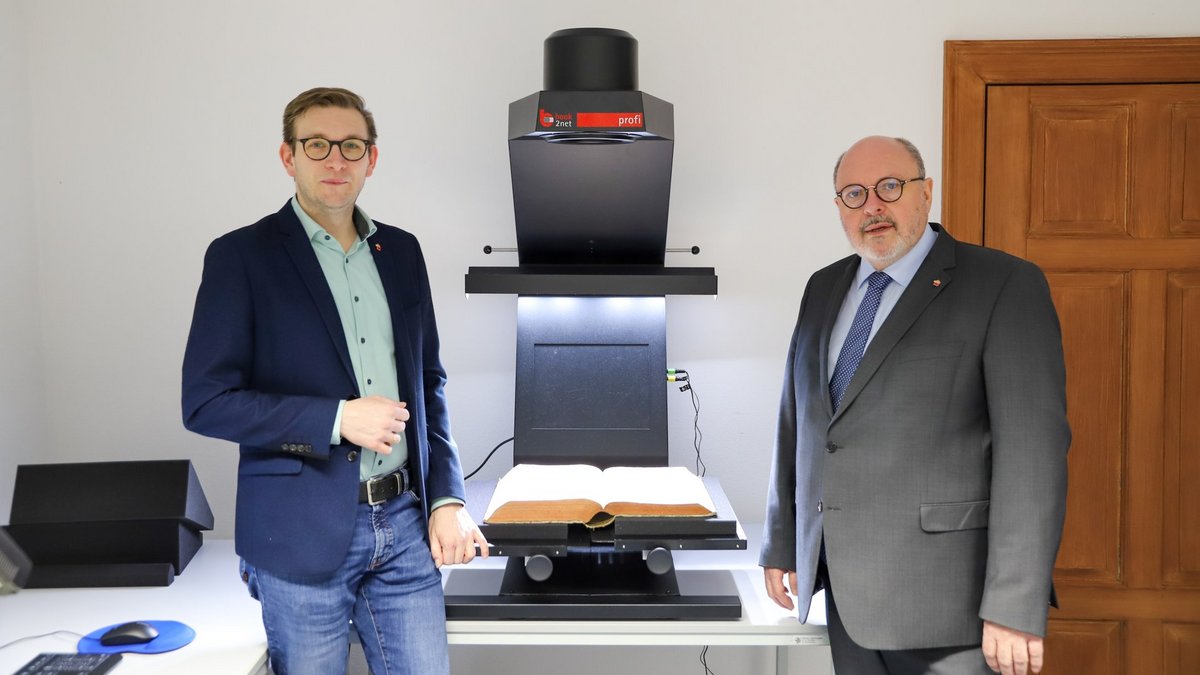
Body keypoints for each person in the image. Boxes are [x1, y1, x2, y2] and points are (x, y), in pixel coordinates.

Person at [182, 86, 488, 675]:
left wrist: (448, 498)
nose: (335, 160)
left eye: (351, 146)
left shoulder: (402, 252)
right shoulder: (241, 256)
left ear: (371, 158)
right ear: (288, 156)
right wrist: (337, 418)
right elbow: (206, 402)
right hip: (297, 534)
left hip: (403, 523)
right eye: (317, 144)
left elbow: (428, 383)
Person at [760, 136, 1069, 675]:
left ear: (926, 193)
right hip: (846, 597)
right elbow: (800, 422)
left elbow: (1032, 458)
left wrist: (1014, 604)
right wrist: (783, 542)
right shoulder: (823, 287)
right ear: (839, 207)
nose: (872, 206)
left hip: (951, 608)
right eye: (854, 194)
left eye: (889, 187)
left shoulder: (1003, 284)